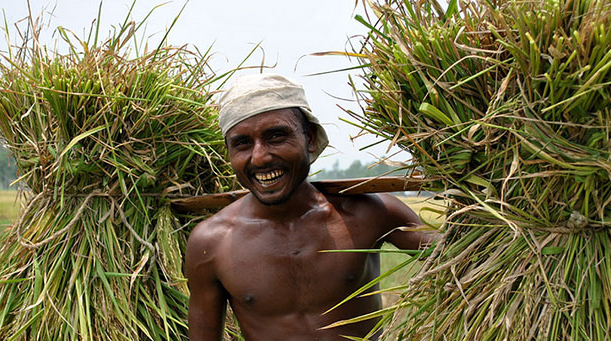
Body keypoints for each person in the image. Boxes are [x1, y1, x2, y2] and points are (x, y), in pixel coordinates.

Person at [185, 74, 433, 340]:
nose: (259, 157)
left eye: (276, 136)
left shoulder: (371, 213)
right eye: (242, 143)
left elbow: (459, 257)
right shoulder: (211, 243)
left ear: (311, 139)